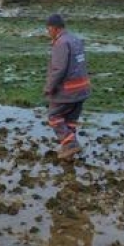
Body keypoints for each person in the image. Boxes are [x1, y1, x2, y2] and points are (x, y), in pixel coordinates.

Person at [44, 13, 91, 161]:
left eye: (48, 29)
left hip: (68, 91)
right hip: (82, 89)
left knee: (54, 117)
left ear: (54, 28)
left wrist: (49, 88)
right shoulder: (76, 39)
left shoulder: (61, 43)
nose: (48, 32)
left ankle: (70, 144)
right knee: (70, 121)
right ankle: (69, 154)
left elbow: (59, 69)